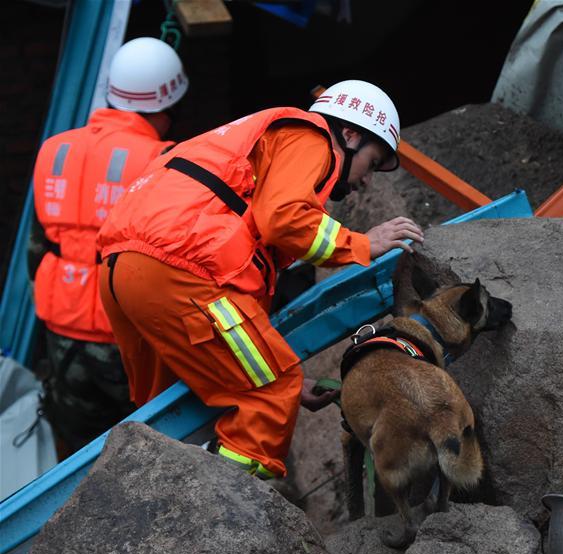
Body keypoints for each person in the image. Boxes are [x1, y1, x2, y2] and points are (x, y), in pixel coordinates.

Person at [96, 79, 424, 480]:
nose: (366, 180)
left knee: (169, 411)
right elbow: (283, 220)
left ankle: (148, 502)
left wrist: (266, 364)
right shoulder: (312, 137)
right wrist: (362, 243)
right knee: (271, 395)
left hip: (124, 271)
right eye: (372, 163)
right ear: (350, 134)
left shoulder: (258, 147)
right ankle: (222, 518)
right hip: (179, 271)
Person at [29, 37, 188, 457]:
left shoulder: (54, 149)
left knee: (78, 457)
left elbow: (36, 248)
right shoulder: (164, 160)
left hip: (60, 327)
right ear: (167, 104)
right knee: (143, 450)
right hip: (124, 335)